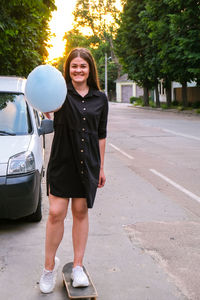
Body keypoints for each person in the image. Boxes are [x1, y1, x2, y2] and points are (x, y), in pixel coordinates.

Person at [39, 48, 108, 293]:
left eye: (83, 66)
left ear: (90, 69)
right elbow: (43, 102)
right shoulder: (59, 95)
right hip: (62, 162)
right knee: (56, 213)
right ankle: (49, 268)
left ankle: (78, 266)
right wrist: (45, 106)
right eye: (74, 66)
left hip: (87, 163)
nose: (78, 70)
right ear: (67, 70)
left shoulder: (101, 99)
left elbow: (101, 135)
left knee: (80, 211)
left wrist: (100, 166)